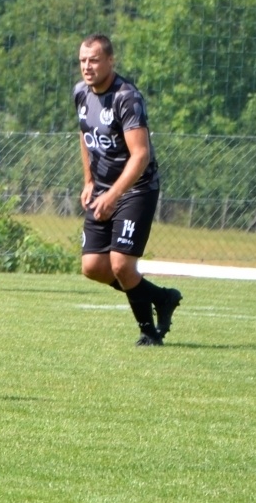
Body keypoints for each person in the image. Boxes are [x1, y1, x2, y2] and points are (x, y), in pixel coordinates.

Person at [75, 34, 183, 347]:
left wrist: (113, 195)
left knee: (121, 264)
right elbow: (85, 135)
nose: (87, 66)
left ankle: (148, 332)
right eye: (83, 61)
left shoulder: (127, 97)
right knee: (93, 267)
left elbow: (141, 155)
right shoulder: (80, 93)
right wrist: (89, 181)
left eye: (94, 60)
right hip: (102, 190)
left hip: (136, 189)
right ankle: (161, 297)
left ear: (111, 61)